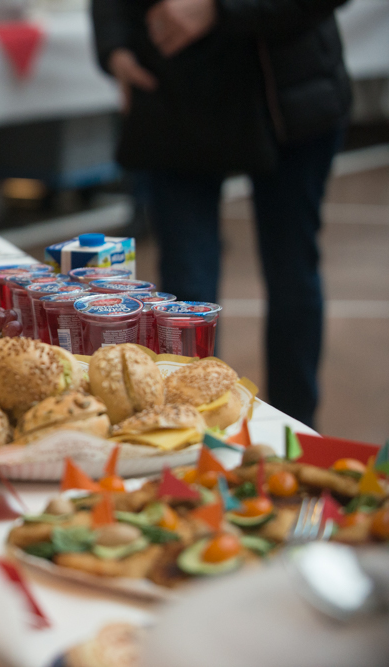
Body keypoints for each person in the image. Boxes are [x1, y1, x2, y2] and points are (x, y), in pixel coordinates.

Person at [91, 0, 351, 427]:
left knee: (292, 273)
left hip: (287, 95)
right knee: (187, 292)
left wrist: (218, 8)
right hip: (175, 97)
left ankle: (295, 438)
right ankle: (188, 438)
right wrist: (115, 47)